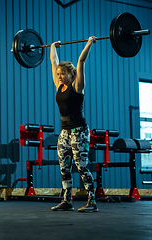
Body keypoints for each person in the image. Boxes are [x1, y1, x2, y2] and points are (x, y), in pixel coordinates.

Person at [50, 36, 98, 212]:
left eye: (63, 74)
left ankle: (92, 201)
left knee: (82, 166)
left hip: (79, 131)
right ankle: (67, 201)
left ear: (71, 74)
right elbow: (54, 61)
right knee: (64, 167)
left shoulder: (78, 86)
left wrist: (89, 43)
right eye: (58, 74)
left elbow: (81, 60)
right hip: (64, 131)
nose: (60, 76)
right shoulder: (59, 86)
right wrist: (53, 46)